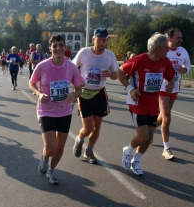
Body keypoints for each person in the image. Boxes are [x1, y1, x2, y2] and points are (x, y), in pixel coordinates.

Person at [119, 33, 175, 176]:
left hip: (152, 104)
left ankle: (136, 161)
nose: (167, 50)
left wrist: (170, 84)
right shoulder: (139, 60)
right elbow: (120, 72)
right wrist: (130, 89)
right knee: (143, 136)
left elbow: (171, 77)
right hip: (137, 102)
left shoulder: (165, 62)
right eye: (164, 48)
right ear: (155, 49)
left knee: (149, 138)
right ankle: (129, 151)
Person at [29, 35, 83, 184]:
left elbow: (79, 89)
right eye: (55, 46)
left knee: (60, 147)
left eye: (61, 45)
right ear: (50, 48)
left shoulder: (71, 67)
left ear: (65, 47)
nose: (58, 48)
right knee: (51, 147)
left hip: (64, 111)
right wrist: (39, 94)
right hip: (46, 110)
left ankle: (51, 171)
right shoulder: (42, 66)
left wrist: (74, 95)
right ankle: (45, 158)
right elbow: (32, 83)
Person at [71, 28, 119, 164]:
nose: (102, 43)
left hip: (100, 93)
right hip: (85, 94)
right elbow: (73, 69)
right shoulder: (83, 53)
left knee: (97, 126)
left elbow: (116, 75)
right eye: (99, 40)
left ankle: (89, 150)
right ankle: (79, 138)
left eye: (104, 40)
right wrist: (77, 85)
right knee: (88, 128)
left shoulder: (110, 56)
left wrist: (111, 74)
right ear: (93, 39)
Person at [156, 28, 191, 160]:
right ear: (170, 39)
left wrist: (184, 69)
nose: (181, 40)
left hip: (175, 88)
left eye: (181, 37)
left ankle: (148, 130)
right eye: (178, 38)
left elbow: (188, 65)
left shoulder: (183, 51)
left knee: (162, 117)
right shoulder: (162, 50)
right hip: (163, 87)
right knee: (167, 118)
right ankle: (166, 148)